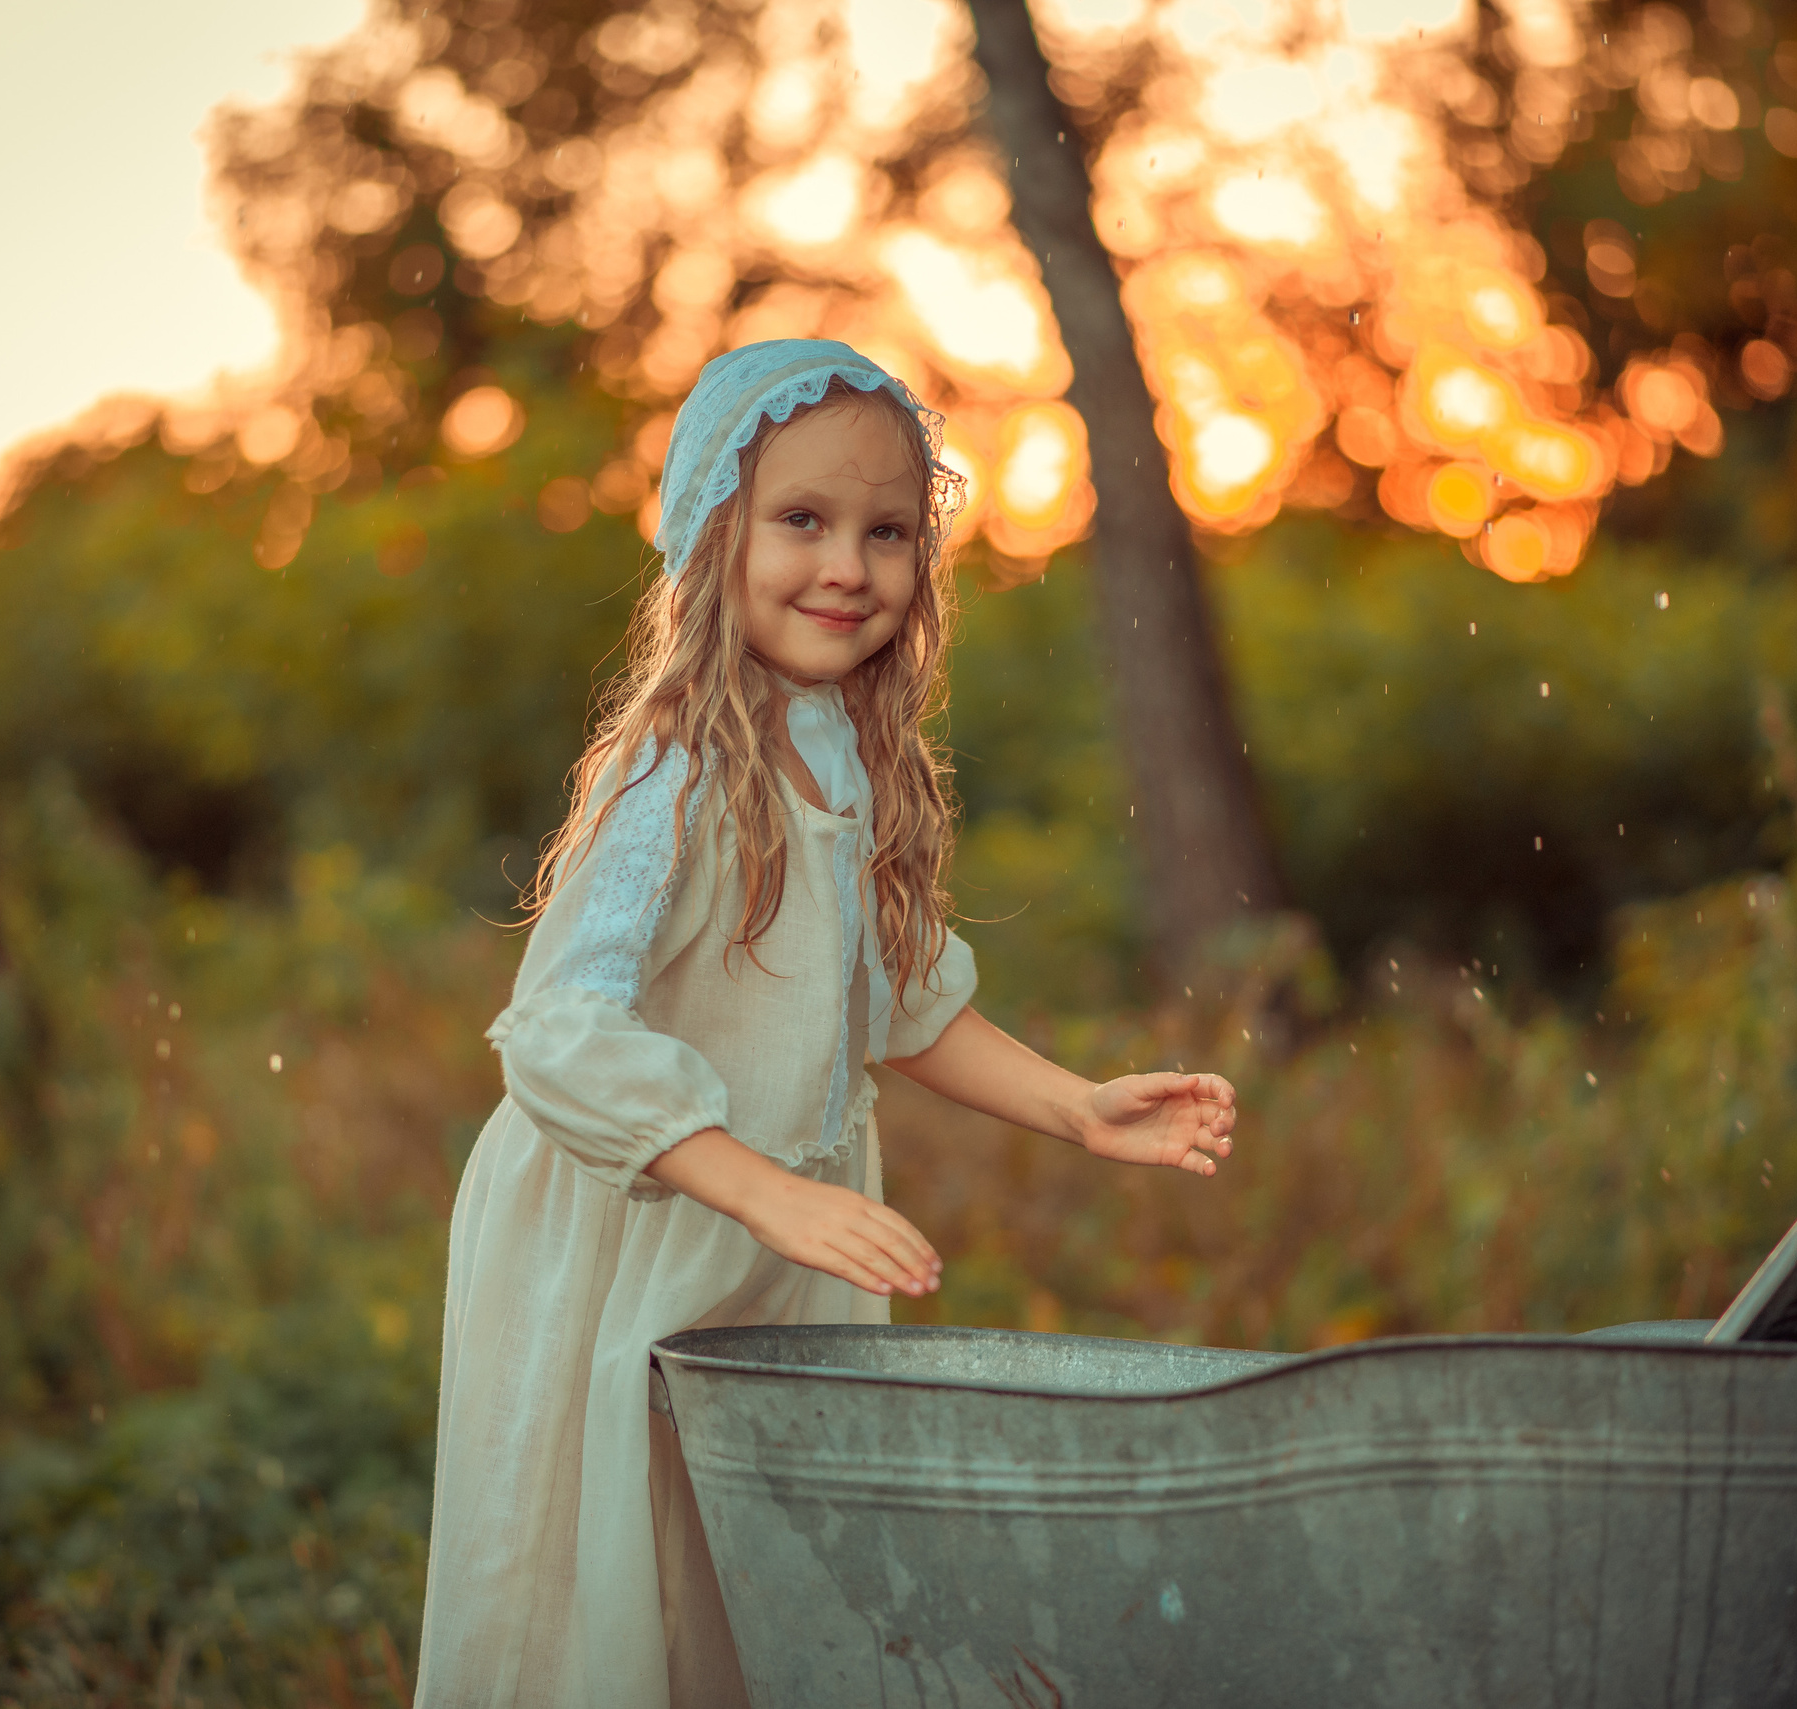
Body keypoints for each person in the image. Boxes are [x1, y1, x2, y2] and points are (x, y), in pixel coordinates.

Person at [415, 339, 1240, 1709]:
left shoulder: (850, 751)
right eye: (802, 520)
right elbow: (556, 1031)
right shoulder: (675, 769)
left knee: (758, 1589)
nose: (847, 565)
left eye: (887, 532)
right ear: (713, 531)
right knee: (611, 1590)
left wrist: (1075, 1104)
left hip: (777, 1236)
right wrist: (753, 1186)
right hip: (638, 1232)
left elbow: (898, 1005)